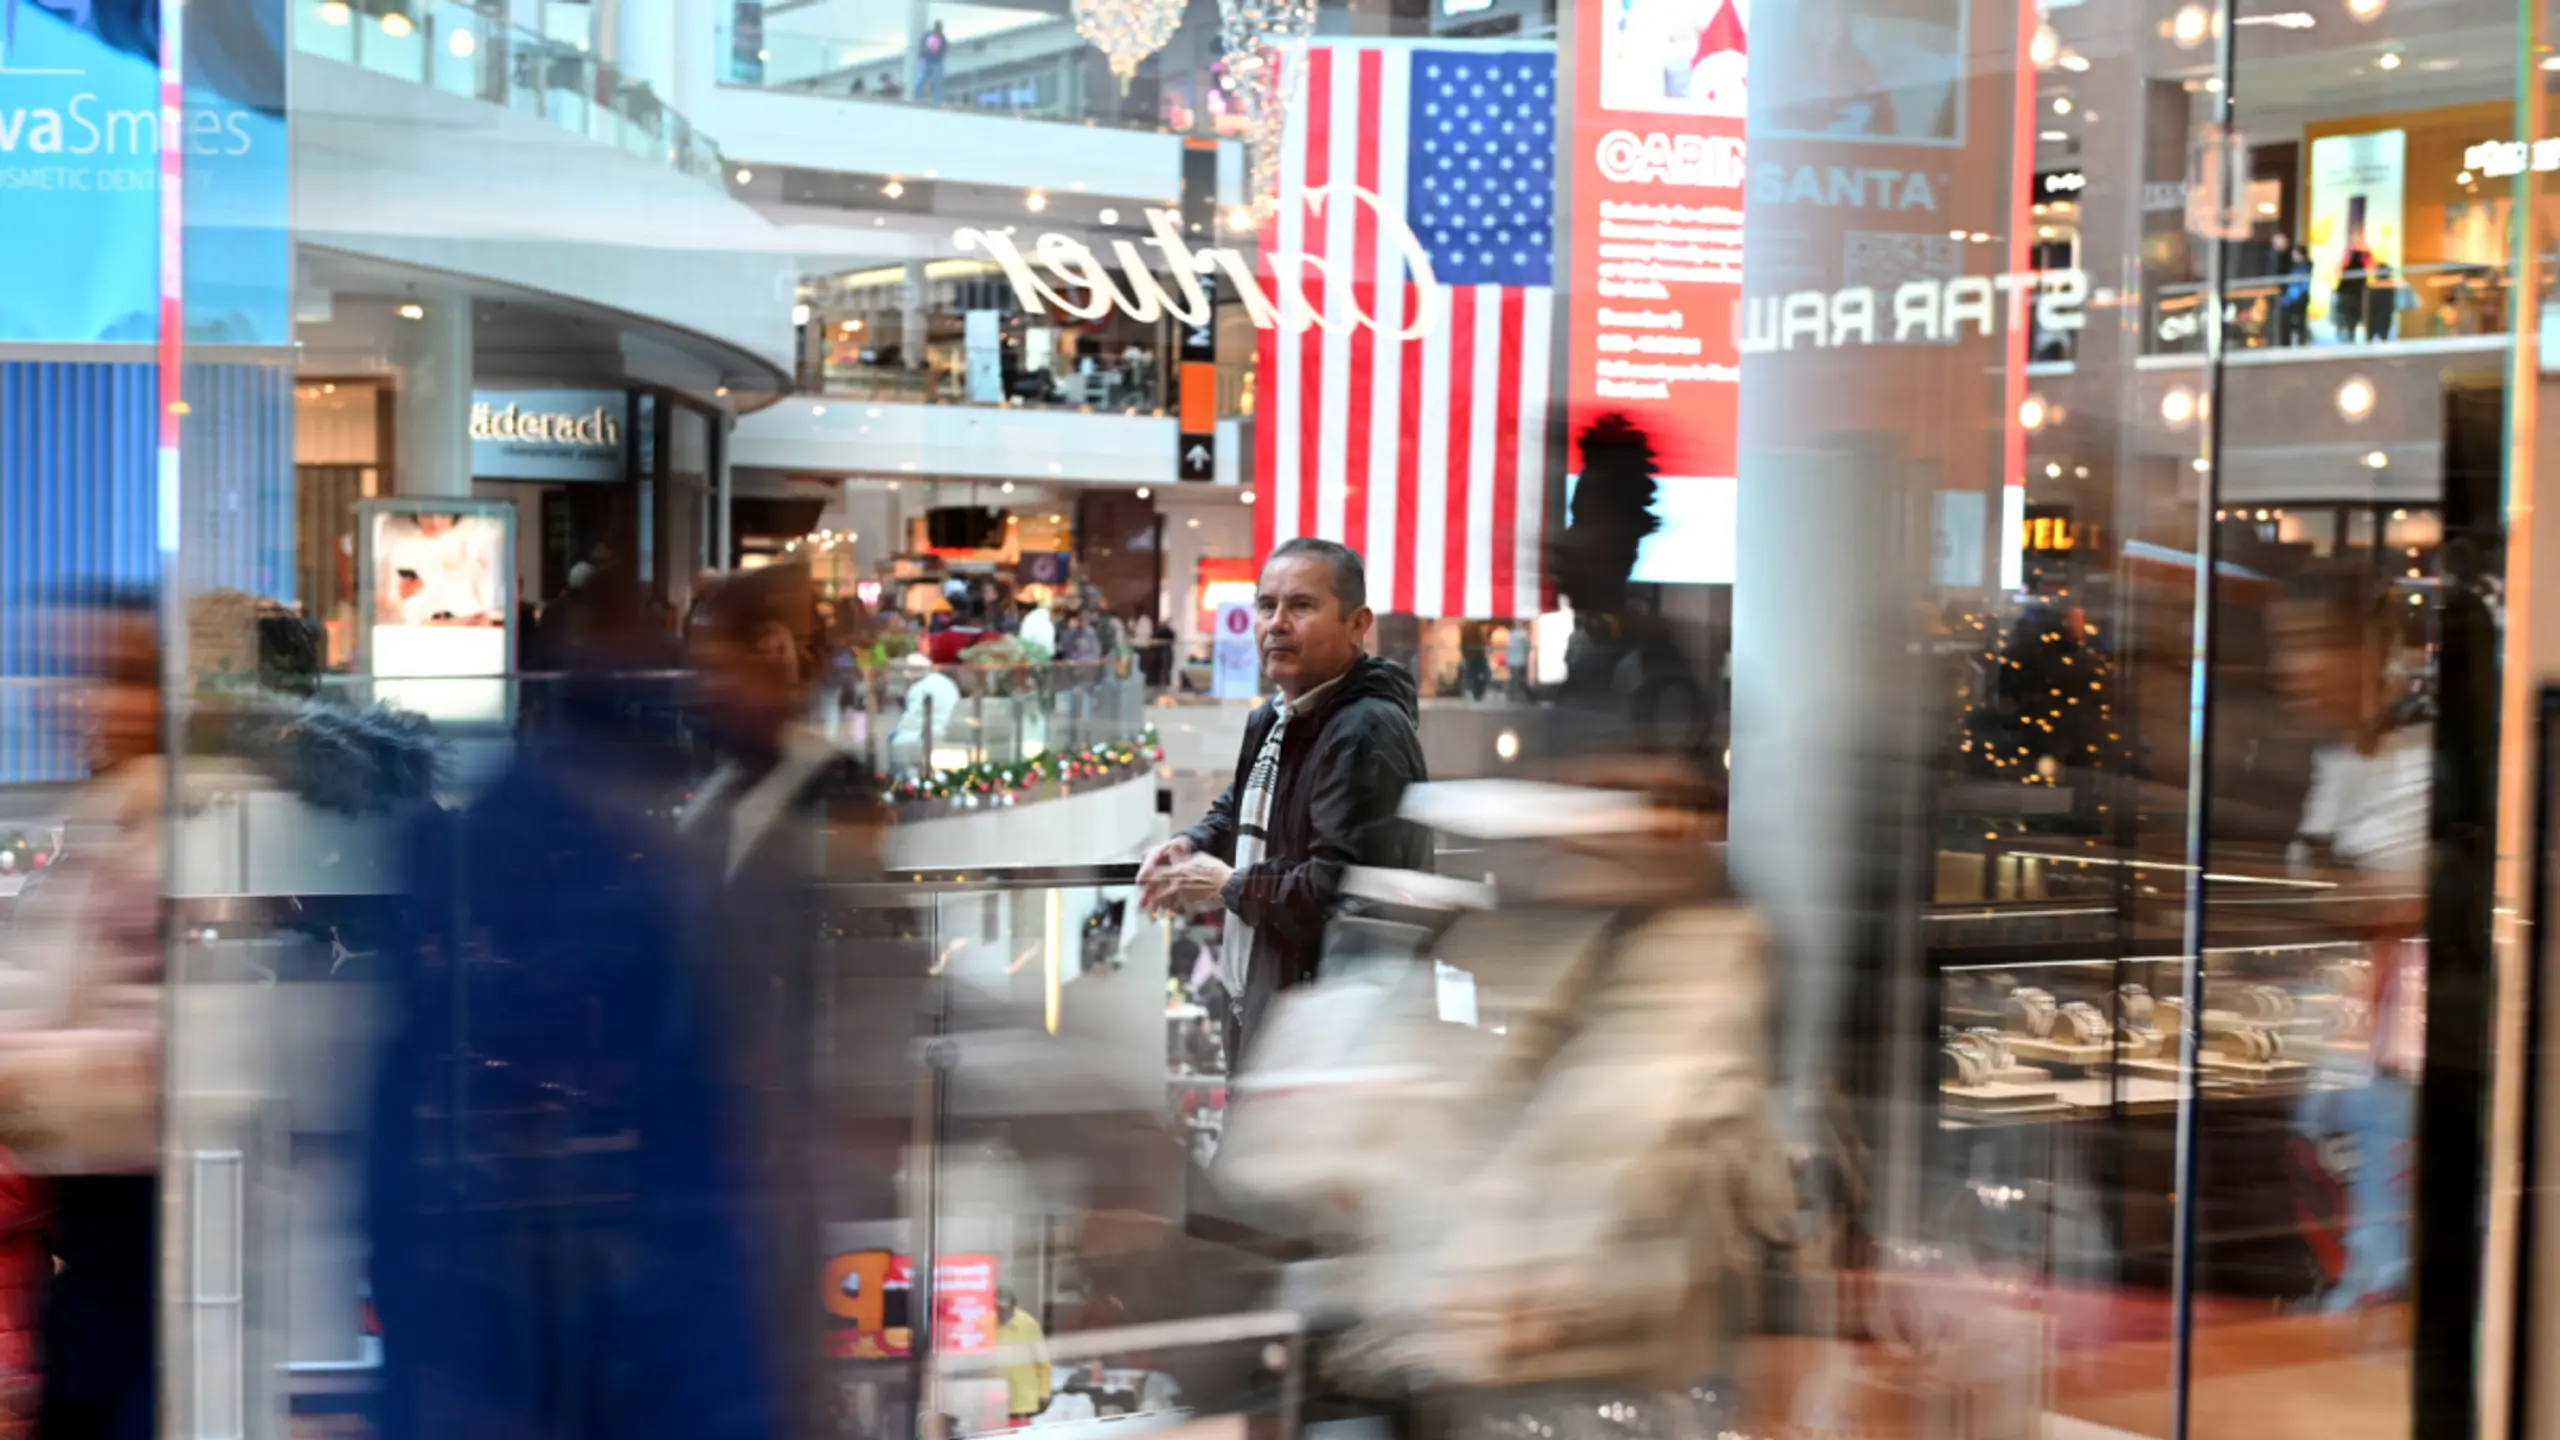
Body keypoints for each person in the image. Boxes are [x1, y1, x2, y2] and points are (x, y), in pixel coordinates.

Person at [1138, 538, 1432, 1055]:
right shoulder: (1274, 716)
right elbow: (1244, 807)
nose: (1276, 623)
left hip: (1330, 1031)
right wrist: (1192, 843)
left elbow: (1336, 890)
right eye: (1266, 605)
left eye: (1301, 605)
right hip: (1267, 1002)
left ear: (1357, 624)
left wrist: (1228, 885)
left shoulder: (1366, 730)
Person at [2271, 566, 2429, 1311]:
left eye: (2315, 644)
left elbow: (2393, 902)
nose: (2293, 667)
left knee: (2377, 1275)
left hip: (2398, 1049)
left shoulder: (2422, 756)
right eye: (2286, 645)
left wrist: (2341, 890)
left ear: (2375, 650)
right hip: (2344, 1036)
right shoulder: (2334, 758)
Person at [992, 1289, 1052, 1428]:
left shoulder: (1028, 1324)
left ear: (1013, 1307)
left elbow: (1043, 1362)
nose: (1001, 1312)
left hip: (1023, 1397)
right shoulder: (987, 1322)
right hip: (995, 1396)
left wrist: (1044, 1392)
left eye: (1004, 1308)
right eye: (997, 1308)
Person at [915, 20, 947, 104]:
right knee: (920, 79)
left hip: (936, 62)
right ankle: (917, 97)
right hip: (926, 60)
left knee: (938, 81)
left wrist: (940, 55)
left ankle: (936, 100)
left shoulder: (942, 38)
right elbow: (922, 45)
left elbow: (944, 50)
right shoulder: (927, 35)